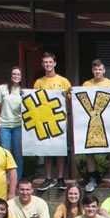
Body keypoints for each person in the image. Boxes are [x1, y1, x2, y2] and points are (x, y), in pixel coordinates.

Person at [32, 53, 70, 190]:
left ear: (55, 63)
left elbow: (71, 99)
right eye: (45, 62)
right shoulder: (38, 82)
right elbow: (34, 100)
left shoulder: (63, 81)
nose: (48, 65)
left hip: (60, 119)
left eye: (50, 62)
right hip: (45, 119)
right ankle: (48, 178)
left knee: (60, 149)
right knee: (47, 149)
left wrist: (67, 96)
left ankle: (60, 177)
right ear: (42, 65)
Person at [80, 60, 110, 191]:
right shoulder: (86, 84)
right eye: (95, 69)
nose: (98, 72)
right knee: (89, 150)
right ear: (92, 71)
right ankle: (92, 177)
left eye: (100, 69)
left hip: (107, 121)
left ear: (104, 70)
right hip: (91, 120)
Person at [0, 67, 24, 184]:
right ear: (10, 75)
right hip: (4, 125)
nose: (16, 76)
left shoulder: (23, 90)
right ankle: (5, 180)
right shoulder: (2, 88)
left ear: (21, 77)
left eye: (18, 74)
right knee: (5, 153)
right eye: (14, 74)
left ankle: (17, 180)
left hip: (18, 126)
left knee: (18, 154)